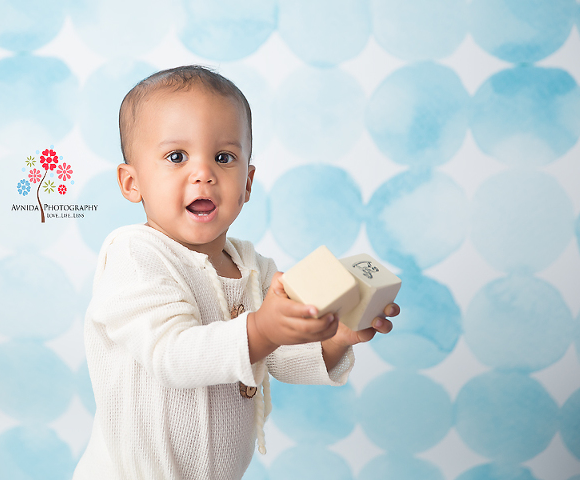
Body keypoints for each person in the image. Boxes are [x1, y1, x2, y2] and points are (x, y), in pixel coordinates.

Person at [72, 65, 399, 479]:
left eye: (224, 157)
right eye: (176, 157)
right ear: (132, 182)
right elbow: (172, 355)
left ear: (247, 182)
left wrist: (331, 338)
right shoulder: (135, 256)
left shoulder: (254, 268)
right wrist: (262, 329)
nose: (204, 172)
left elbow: (279, 356)